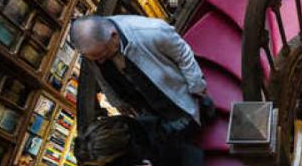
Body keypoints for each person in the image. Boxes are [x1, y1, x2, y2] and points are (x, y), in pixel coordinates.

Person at [70, 13, 214, 140]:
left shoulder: (151, 31)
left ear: (114, 36)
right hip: (142, 103)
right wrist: (117, 102)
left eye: (103, 55)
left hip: (171, 94)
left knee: (188, 120)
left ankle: (204, 115)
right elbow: (102, 78)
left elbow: (183, 54)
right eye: (96, 59)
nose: (100, 61)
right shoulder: (96, 49)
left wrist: (196, 85)